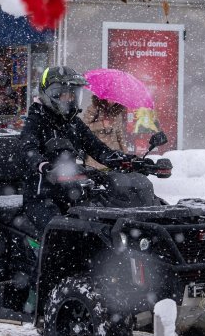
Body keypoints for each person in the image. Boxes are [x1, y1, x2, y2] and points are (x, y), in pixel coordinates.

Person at [20, 66, 133, 235]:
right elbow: (28, 148)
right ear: (52, 94)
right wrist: (44, 166)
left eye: (73, 94)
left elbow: (97, 148)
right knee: (57, 235)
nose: (70, 99)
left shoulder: (73, 123)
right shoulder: (35, 121)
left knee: (103, 228)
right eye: (65, 94)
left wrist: (123, 159)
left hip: (72, 193)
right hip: (41, 197)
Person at [83, 95, 127, 169]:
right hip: (96, 153)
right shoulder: (94, 108)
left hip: (113, 154)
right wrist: (101, 124)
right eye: (109, 97)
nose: (112, 101)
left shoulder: (117, 111)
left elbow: (120, 134)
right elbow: (84, 127)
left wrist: (125, 152)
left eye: (114, 98)